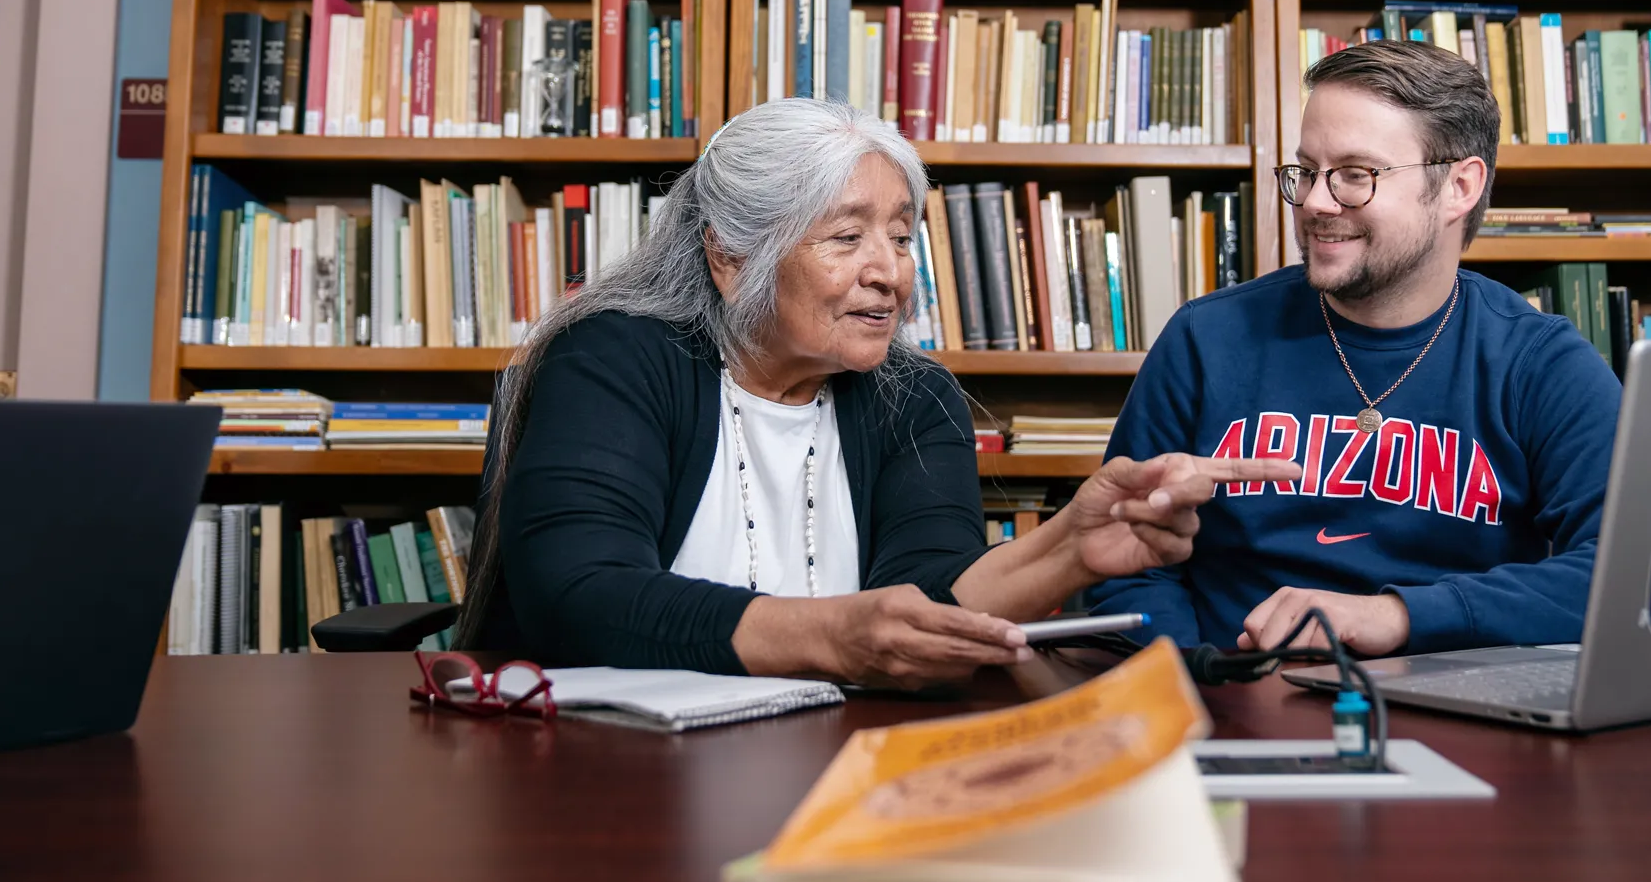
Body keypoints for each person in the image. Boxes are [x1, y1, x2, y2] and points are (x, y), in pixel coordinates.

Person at [458, 98, 1297, 686]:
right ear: (732, 255)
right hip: (592, 772)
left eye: (901, 237)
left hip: (835, 757)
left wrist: (1071, 548)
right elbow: (579, 596)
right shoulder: (615, 358)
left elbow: (928, 600)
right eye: (847, 236)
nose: (889, 272)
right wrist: (834, 635)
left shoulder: (912, 392)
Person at [1087, 39, 1622, 657]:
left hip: (1459, 712)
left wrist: (1400, 616)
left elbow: (1627, 567)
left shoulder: (1540, 363)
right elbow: (1129, 565)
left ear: (1459, 187)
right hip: (1237, 703)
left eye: (1355, 175)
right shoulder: (1206, 339)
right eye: (1307, 171)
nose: (1316, 201)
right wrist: (1195, 694)